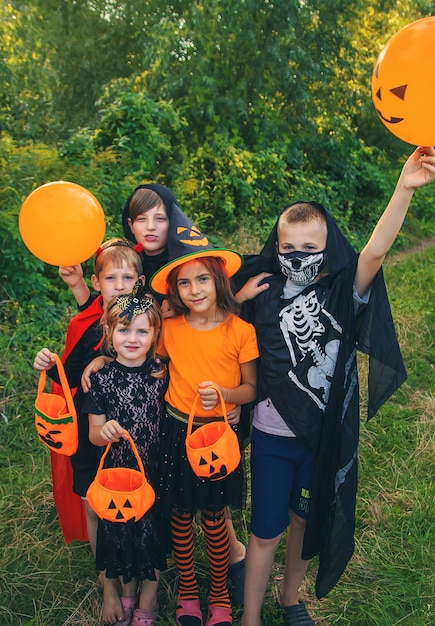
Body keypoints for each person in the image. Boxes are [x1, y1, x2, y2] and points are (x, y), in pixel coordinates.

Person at [235, 146, 435, 626]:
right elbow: (197, 301)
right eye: (288, 249)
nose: (298, 257)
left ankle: (289, 598)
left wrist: (403, 188)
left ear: (327, 249)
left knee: (305, 521)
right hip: (270, 438)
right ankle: (250, 617)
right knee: (265, 532)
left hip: (320, 442)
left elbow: (376, 251)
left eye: (310, 249)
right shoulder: (258, 290)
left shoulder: (341, 292)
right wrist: (233, 298)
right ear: (276, 246)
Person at [69, 184, 248, 604]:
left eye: (160, 217)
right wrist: (99, 350)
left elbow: (211, 310)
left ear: (174, 218)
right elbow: (108, 305)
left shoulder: (183, 256)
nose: (151, 227)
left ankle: (230, 559)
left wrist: (230, 398)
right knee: (158, 497)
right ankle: (133, 578)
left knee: (202, 493)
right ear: (129, 223)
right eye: (141, 218)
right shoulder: (129, 260)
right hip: (131, 396)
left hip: (188, 399)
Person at [149, 244, 259, 626]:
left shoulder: (241, 331)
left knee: (214, 517)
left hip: (217, 437)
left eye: (202, 280)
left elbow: (251, 389)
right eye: (184, 283)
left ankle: (221, 596)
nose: (194, 289)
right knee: (180, 515)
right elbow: (157, 363)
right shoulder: (171, 330)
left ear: (219, 281)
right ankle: (189, 593)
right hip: (177, 430)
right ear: (175, 291)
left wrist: (228, 395)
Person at [33, 238, 143, 556]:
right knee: (92, 500)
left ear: (139, 282)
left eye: (127, 279)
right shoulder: (87, 325)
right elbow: (69, 378)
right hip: (87, 429)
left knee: (126, 497)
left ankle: (133, 561)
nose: (119, 286)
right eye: (111, 278)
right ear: (97, 283)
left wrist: (107, 359)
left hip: (129, 430)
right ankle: (104, 571)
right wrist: (50, 363)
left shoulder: (145, 324)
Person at [83, 285, 168, 626]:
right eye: (123, 329)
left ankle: (149, 596)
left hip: (156, 470)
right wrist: (102, 433)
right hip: (118, 476)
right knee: (122, 531)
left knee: (152, 532)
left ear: (154, 334)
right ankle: (126, 591)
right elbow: (92, 433)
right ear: (109, 332)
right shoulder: (101, 380)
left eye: (142, 331)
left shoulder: (161, 371)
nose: (132, 338)